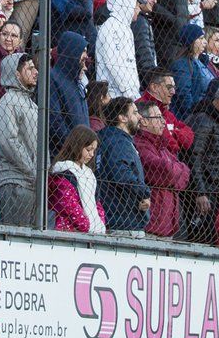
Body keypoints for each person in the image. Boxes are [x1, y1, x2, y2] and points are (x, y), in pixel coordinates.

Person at [0, 50, 40, 224]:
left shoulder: (33, 104)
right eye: (29, 68)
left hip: (33, 182)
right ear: (16, 74)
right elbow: (9, 141)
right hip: (16, 181)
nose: (36, 72)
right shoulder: (8, 101)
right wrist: (33, 170)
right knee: (18, 233)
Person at [95, 97, 150, 236]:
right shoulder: (119, 142)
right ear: (122, 118)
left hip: (116, 217)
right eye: (135, 113)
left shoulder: (107, 139)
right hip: (124, 221)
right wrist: (143, 193)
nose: (140, 117)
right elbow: (121, 174)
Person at [48, 126, 106, 234]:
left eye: (94, 150)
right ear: (77, 146)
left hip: (90, 229)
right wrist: (88, 226)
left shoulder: (89, 174)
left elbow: (97, 203)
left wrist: (100, 224)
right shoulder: (63, 174)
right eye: (88, 149)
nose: (92, 154)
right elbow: (70, 206)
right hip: (67, 231)